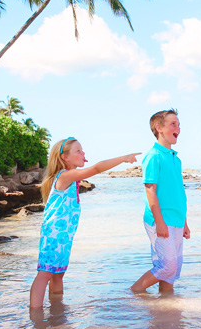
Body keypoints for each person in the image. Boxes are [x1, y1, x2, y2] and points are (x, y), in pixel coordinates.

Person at [29, 138, 139, 309]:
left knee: (58, 274)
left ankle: (56, 309)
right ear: (65, 158)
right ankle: (35, 315)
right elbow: (95, 169)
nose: (83, 154)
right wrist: (123, 158)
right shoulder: (66, 175)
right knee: (45, 273)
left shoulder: (71, 179)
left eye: (82, 150)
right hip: (53, 234)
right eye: (78, 151)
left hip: (64, 236)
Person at [131, 109, 191, 294]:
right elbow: (150, 191)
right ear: (159, 128)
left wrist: (185, 222)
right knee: (167, 266)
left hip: (177, 220)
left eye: (179, 125)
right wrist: (160, 223)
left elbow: (178, 193)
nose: (178, 128)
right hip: (160, 220)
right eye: (173, 124)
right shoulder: (153, 156)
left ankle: (166, 314)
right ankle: (133, 293)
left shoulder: (176, 159)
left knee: (173, 271)